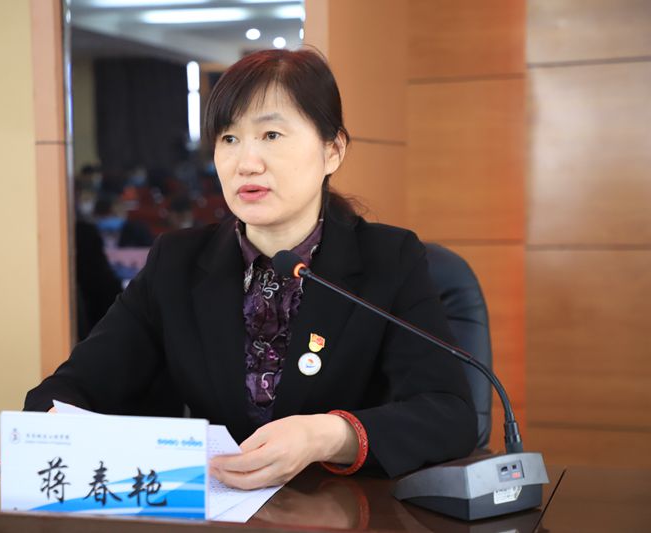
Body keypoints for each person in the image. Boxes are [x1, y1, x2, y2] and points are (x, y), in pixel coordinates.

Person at [24, 48, 477, 490]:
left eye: (271, 135)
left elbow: (450, 415)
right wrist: (55, 425)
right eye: (229, 139)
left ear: (333, 150)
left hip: (344, 513)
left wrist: (326, 435)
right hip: (220, 509)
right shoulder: (177, 262)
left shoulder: (389, 258)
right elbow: (71, 389)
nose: (246, 163)